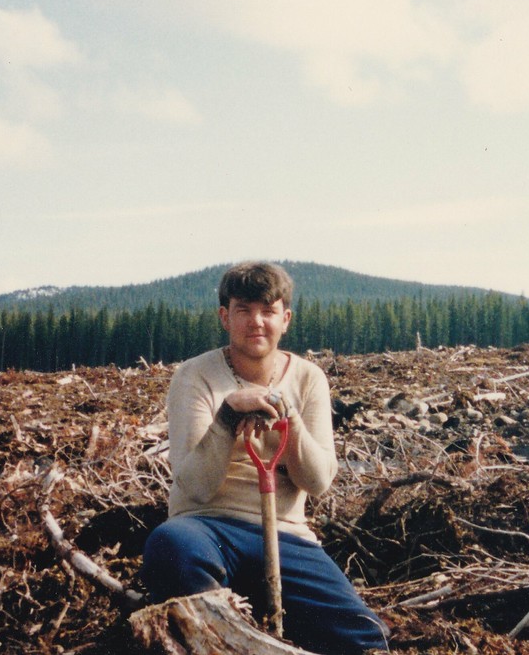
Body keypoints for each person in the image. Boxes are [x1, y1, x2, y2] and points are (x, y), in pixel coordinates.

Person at [140, 262, 389, 654]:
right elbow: (196, 486)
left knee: (365, 636)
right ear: (225, 317)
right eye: (243, 310)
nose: (257, 322)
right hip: (206, 529)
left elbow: (319, 480)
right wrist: (227, 416)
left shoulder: (309, 379)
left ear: (285, 319)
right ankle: (224, 636)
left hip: (286, 535)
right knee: (169, 547)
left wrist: (289, 418)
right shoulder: (194, 376)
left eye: (268, 311)